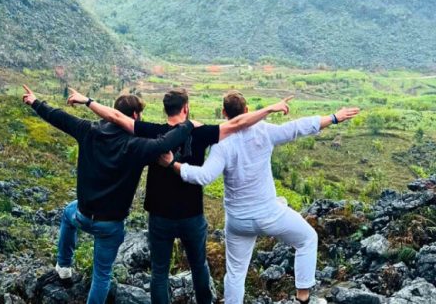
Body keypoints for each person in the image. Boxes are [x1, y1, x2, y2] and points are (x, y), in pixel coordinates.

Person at [69, 87, 292, 304]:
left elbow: (116, 116)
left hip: (159, 215)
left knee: (159, 273)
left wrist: (87, 101)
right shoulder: (201, 132)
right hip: (191, 215)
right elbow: (238, 122)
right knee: (199, 267)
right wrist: (269, 109)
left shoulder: (150, 130)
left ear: (166, 109)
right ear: (185, 108)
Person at [159, 91, 360, 304]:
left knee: (235, 273)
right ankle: (303, 297)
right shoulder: (264, 131)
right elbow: (297, 127)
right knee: (307, 239)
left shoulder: (221, 143)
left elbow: (204, 176)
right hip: (269, 215)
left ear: (224, 113)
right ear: (247, 111)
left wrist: (173, 164)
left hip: (238, 221)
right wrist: (334, 118)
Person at [22, 85, 194, 304]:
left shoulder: (88, 130)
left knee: (67, 213)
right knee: (101, 276)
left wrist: (35, 101)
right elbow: (165, 143)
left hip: (83, 214)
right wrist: (186, 125)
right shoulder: (136, 146)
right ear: (134, 116)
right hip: (109, 226)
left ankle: (63, 266)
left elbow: (58, 117)